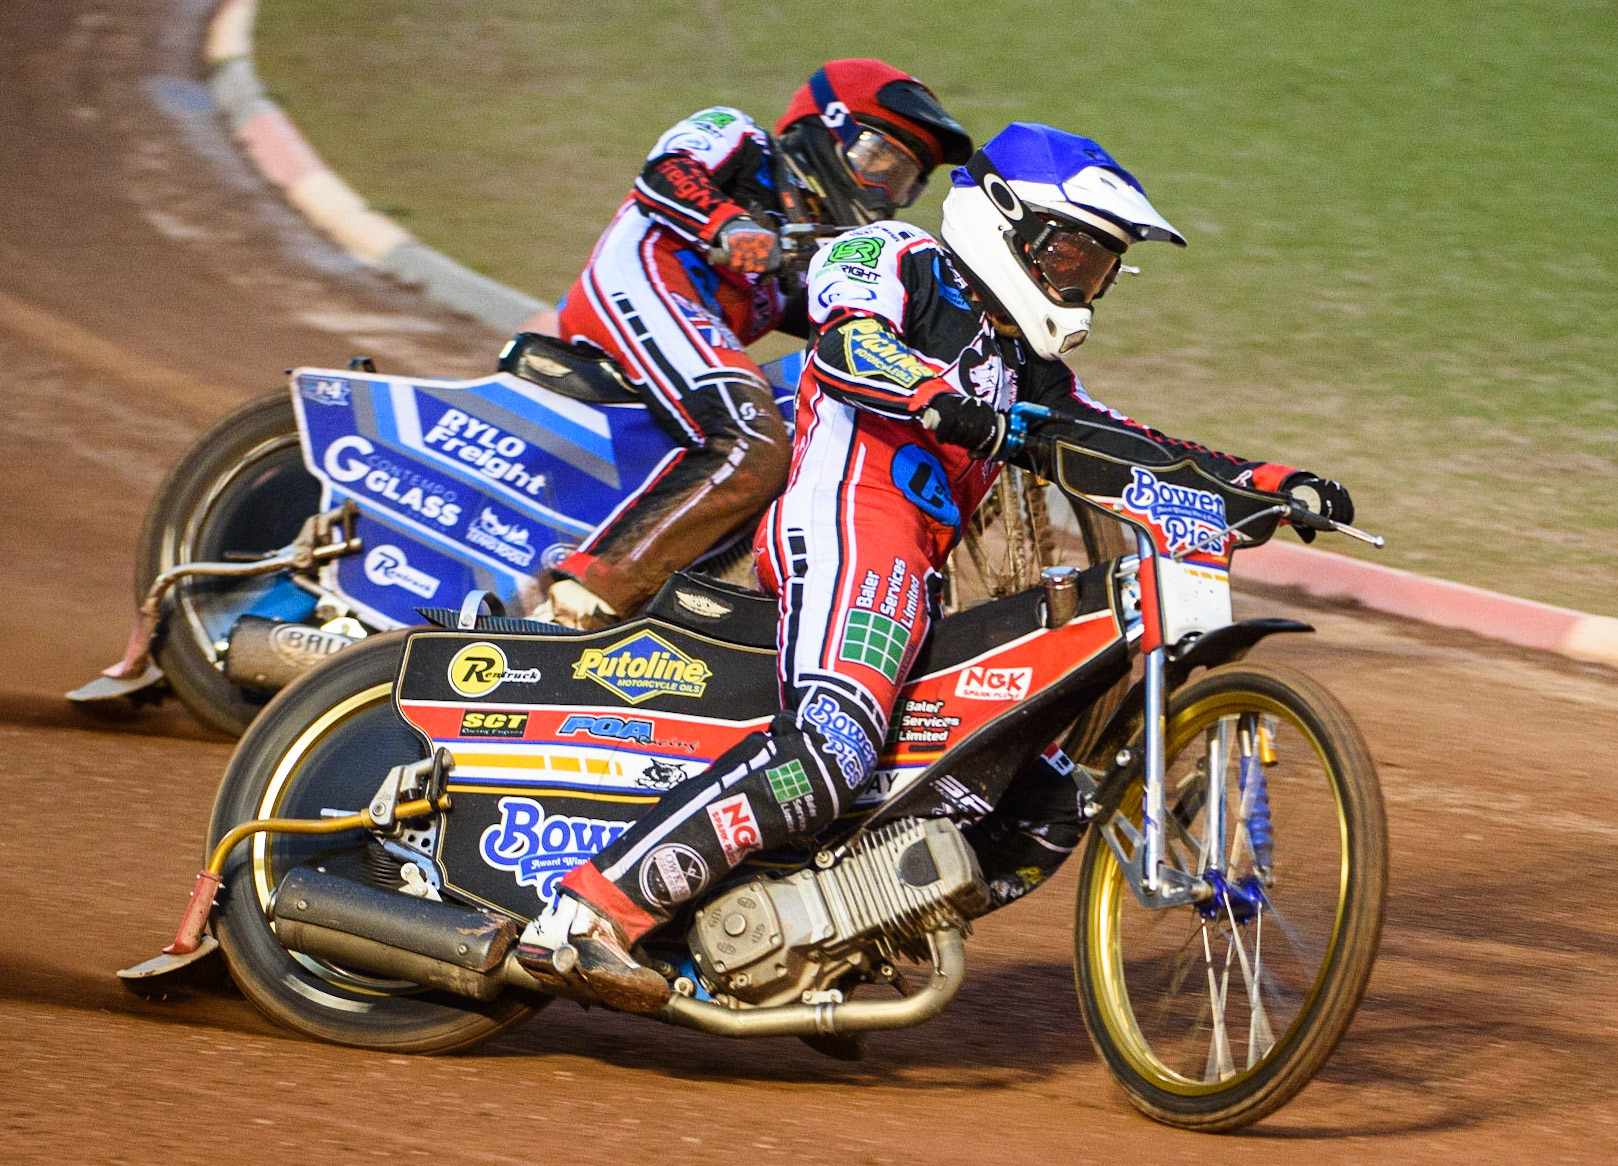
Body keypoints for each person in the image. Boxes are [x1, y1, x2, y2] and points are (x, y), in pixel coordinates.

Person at [518, 122, 1354, 1012]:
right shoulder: (893, 254)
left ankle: (819, 941)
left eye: (1098, 268)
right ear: (999, 219)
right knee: (834, 748)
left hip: (915, 565)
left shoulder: (1023, 368)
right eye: (1069, 253)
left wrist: (1261, 483)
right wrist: (939, 401)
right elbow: (849, 347)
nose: (1079, 284)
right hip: (849, 526)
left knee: (1004, 785)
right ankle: (587, 913)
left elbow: (1116, 442)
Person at [532, 60, 972, 629]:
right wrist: (728, 224)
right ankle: (580, 605)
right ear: (827, 127)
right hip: (643, 276)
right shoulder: (737, 135)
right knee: (754, 440)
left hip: (686, 324)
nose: (888, 190)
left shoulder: (809, 245)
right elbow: (666, 171)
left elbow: (829, 314)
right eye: (879, 160)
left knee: (810, 425)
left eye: (906, 179)